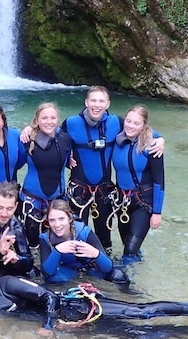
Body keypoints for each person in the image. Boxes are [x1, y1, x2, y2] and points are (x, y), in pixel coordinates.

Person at [21, 86, 164, 255]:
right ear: (86, 102)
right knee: (76, 235)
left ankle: (105, 272)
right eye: (93, 100)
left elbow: (139, 127)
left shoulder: (116, 122)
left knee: (104, 238)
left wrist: (160, 138)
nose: (97, 105)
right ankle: (79, 270)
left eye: (101, 101)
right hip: (79, 190)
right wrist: (30, 129)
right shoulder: (71, 123)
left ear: (108, 104)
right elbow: (52, 132)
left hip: (105, 191)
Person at [0, 263, 188, 339]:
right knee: (140, 336)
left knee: (142, 313)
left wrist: (49, 325)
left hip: (80, 308)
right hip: (72, 326)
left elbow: (48, 296)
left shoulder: (5, 283)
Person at [111, 104, 165, 261]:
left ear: (144, 126)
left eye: (136, 123)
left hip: (143, 203)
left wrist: (157, 213)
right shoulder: (117, 140)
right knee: (129, 246)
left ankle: (124, 284)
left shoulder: (152, 146)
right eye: (128, 121)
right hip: (122, 202)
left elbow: (159, 181)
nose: (130, 126)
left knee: (129, 250)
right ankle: (137, 271)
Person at [39, 199, 128, 285]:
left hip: (90, 269)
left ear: (70, 218)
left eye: (61, 219)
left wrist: (96, 254)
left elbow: (108, 268)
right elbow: (47, 272)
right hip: (67, 272)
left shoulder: (84, 232)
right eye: (52, 220)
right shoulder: (45, 238)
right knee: (53, 279)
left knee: (118, 276)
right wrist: (57, 251)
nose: (57, 225)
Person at [20, 102, 72, 248]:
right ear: (36, 120)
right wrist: (28, 128)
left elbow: (69, 160)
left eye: (53, 118)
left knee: (58, 243)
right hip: (32, 200)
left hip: (59, 199)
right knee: (33, 245)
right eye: (44, 118)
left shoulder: (66, 139)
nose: (49, 122)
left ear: (58, 119)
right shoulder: (26, 140)